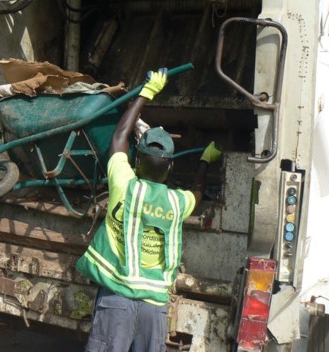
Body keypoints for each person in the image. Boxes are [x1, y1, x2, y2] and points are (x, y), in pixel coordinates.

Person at [75, 68, 222, 352]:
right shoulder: (178, 203)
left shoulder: (124, 184)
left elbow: (119, 135)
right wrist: (205, 161)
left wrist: (146, 93)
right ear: (170, 167)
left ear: (136, 160)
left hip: (116, 302)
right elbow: (198, 193)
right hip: (154, 309)